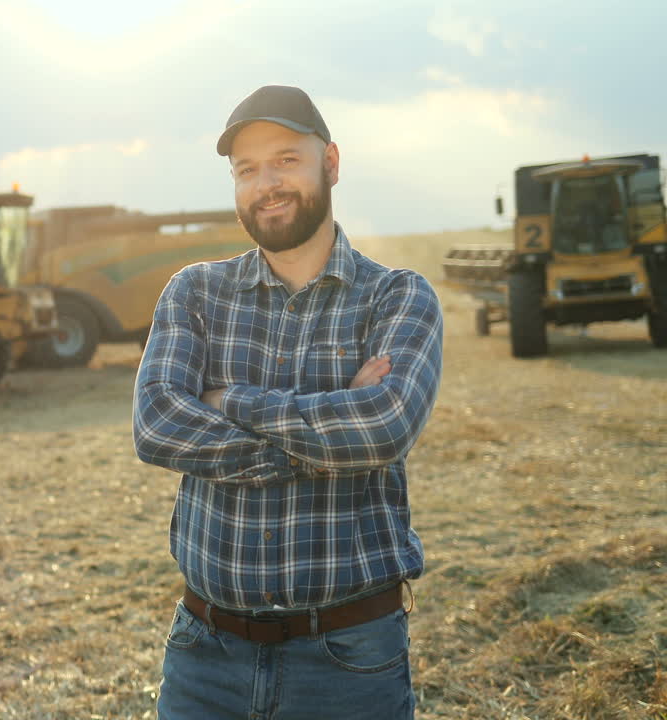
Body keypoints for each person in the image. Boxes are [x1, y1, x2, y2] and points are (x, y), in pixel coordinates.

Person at [132, 85, 443, 719]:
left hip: (349, 659)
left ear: (331, 162)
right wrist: (325, 429)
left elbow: (381, 427)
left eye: (285, 160)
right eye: (246, 170)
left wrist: (226, 399)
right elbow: (157, 424)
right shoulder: (196, 292)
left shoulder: (398, 298)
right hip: (204, 657)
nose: (265, 183)